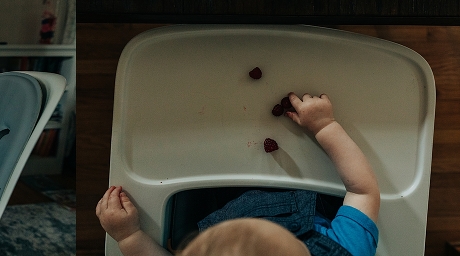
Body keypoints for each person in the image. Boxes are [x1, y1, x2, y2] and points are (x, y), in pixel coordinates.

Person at [96, 92, 380, 256]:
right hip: (303, 194)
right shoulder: (347, 250)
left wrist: (128, 236)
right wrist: (325, 127)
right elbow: (362, 190)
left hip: (218, 205)